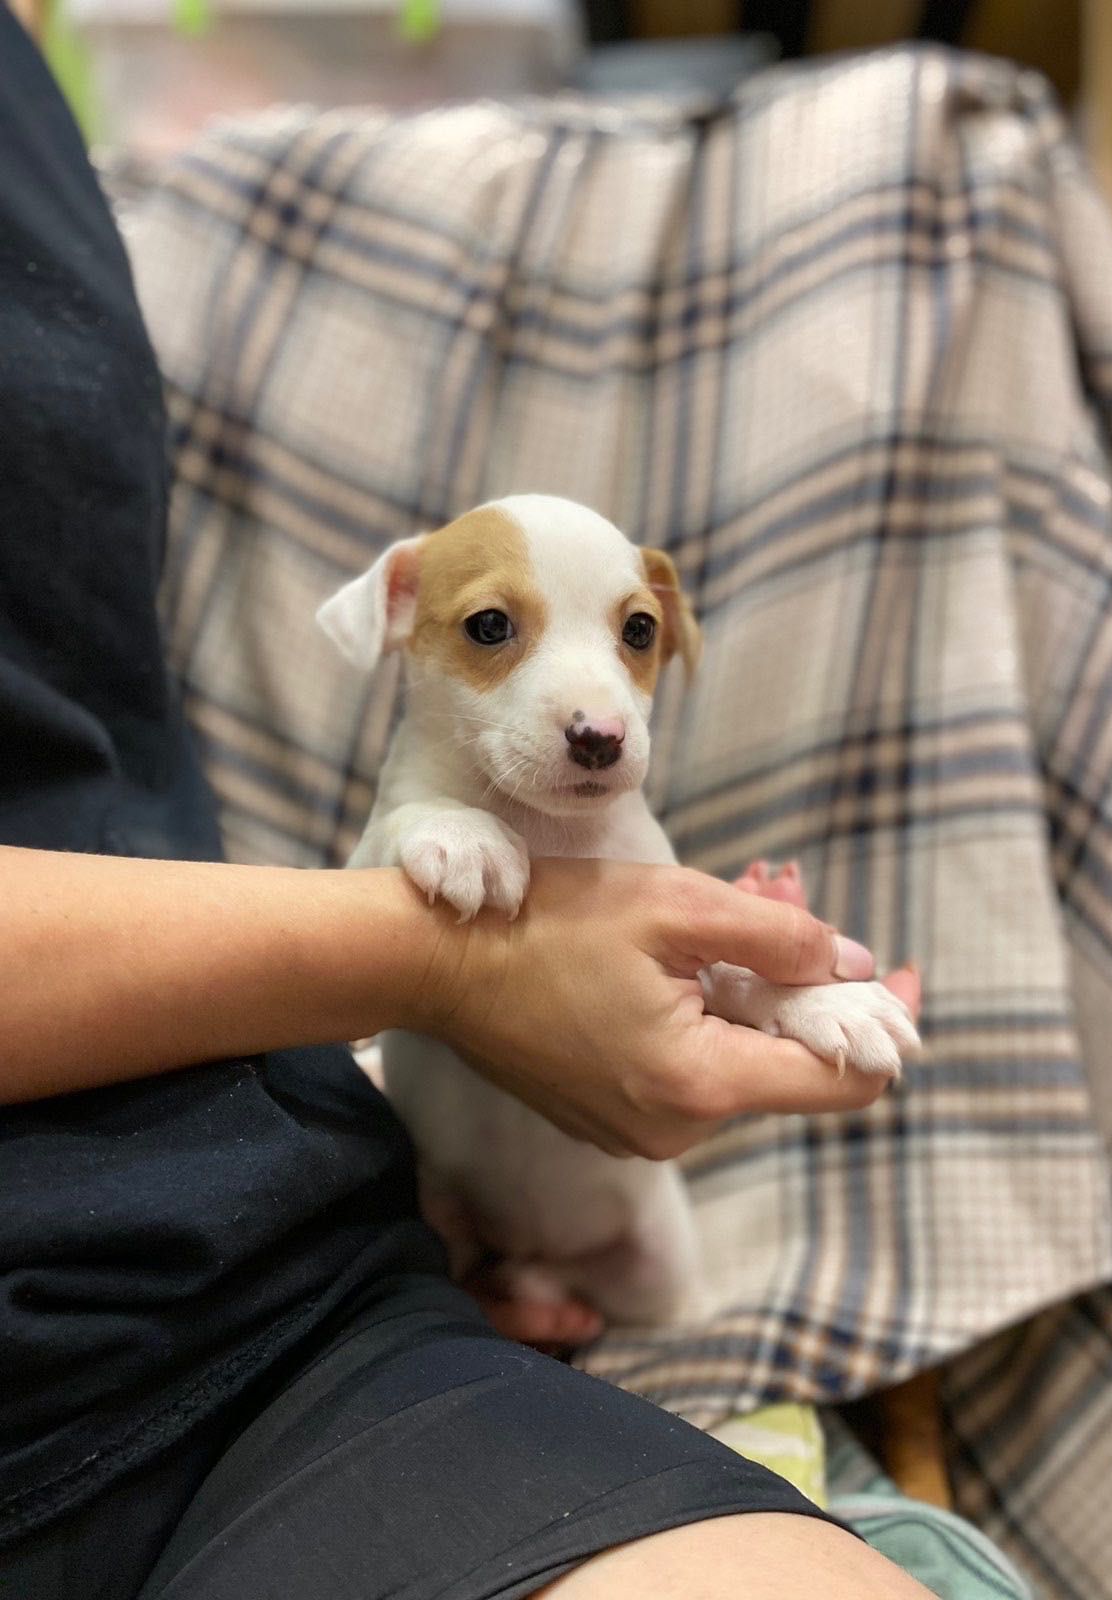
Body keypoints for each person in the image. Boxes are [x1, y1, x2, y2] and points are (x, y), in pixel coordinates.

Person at [0, 7, 931, 1596]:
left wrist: (779, 993)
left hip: (282, 1288)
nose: (593, 706)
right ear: (404, 619)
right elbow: (418, 906)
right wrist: (444, 953)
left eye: (633, 641)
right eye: (496, 633)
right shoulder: (420, 820)